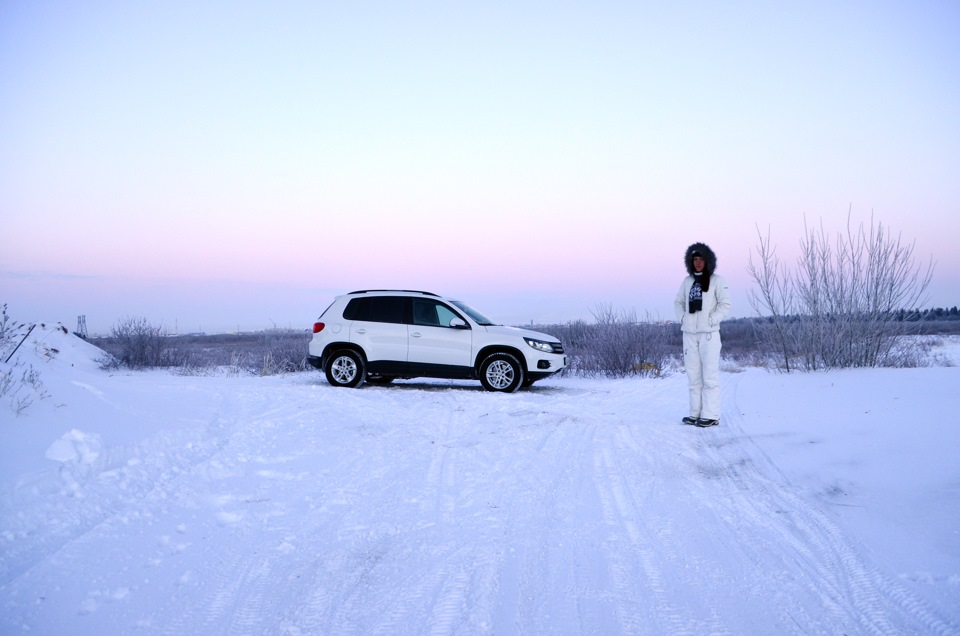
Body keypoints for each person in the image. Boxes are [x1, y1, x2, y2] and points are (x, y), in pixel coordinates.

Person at [674, 242, 732, 427]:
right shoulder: (687, 281)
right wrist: (683, 318)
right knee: (693, 376)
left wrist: (711, 320)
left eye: (701, 259)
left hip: (709, 335)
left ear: (708, 261)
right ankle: (695, 413)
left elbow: (725, 304)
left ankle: (710, 414)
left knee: (709, 376)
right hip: (689, 334)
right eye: (695, 259)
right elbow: (678, 302)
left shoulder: (717, 281)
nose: (698, 263)